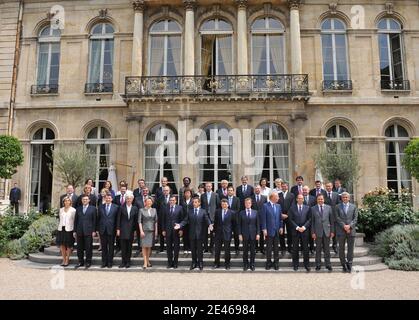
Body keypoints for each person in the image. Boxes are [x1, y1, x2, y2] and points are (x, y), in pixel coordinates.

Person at [175, 197, 213, 271]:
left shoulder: (203, 211)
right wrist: (180, 225)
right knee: (193, 250)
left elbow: (207, 219)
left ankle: (200, 263)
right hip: (192, 234)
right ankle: (193, 263)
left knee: (199, 249)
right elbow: (185, 220)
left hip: (200, 234)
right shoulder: (190, 211)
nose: (194, 203)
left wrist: (210, 225)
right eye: (193, 202)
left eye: (196, 202)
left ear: (199, 203)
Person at [335, 192, 358, 273]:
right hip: (341, 231)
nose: (345, 198)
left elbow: (355, 219)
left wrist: (349, 226)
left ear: (349, 198)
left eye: (346, 197)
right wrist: (344, 226)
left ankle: (349, 264)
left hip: (351, 231)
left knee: (350, 249)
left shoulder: (354, 207)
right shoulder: (337, 207)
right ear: (341, 198)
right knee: (341, 249)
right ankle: (343, 264)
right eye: (343, 197)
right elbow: (337, 218)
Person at [311, 194, 335, 272]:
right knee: (318, 249)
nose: (320, 200)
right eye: (319, 199)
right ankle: (318, 264)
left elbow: (331, 221)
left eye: (321, 199)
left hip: (327, 231)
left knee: (327, 249)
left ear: (324, 200)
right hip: (317, 232)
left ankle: (328, 264)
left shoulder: (329, 208)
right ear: (317, 200)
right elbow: (312, 222)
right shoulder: (313, 208)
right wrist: (313, 232)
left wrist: (332, 231)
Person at [288, 194, 311, 272]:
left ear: (303, 199)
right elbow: (290, 220)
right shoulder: (292, 208)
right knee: (295, 249)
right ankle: (295, 265)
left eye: (302, 198)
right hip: (295, 231)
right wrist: (297, 228)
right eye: (299, 198)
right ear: (297, 199)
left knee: (305, 249)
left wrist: (304, 227)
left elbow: (310, 219)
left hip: (305, 231)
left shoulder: (307, 208)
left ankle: (306, 265)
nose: (300, 199)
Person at [261, 191, 284, 270]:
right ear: (272, 197)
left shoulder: (278, 206)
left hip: (277, 230)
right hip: (269, 231)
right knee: (269, 248)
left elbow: (280, 218)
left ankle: (276, 263)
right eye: (277, 196)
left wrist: (281, 227)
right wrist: (264, 229)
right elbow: (263, 218)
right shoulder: (265, 206)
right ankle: (268, 262)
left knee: (276, 248)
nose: (278, 198)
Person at [74, 195, 97, 269]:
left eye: (86, 199)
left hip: (89, 231)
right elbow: (76, 221)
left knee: (88, 247)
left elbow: (94, 221)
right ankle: (80, 261)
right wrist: (75, 231)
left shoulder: (93, 209)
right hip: (79, 230)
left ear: (89, 200)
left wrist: (94, 230)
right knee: (79, 248)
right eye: (83, 199)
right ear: (81, 200)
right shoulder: (78, 209)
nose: (85, 200)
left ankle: (88, 262)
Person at [117, 192, 138, 268]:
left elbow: (136, 220)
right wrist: (118, 229)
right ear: (125, 199)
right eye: (127, 198)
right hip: (122, 230)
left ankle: (128, 262)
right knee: (123, 247)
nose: (129, 200)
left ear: (132, 199)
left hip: (131, 230)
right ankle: (123, 262)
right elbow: (118, 219)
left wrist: (136, 230)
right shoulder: (121, 207)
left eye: (130, 198)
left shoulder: (135, 208)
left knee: (129, 247)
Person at [97, 192, 118, 268]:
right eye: (107, 198)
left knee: (111, 247)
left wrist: (117, 229)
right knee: (104, 247)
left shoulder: (116, 207)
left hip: (111, 230)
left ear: (112, 199)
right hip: (102, 230)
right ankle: (104, 262)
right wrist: (97, 229)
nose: (108, 199)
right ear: (105, 199)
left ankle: (110, 262)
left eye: (109, 198)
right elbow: (98, 218)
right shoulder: (100, 207)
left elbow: (117, 220)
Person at [238, 198, 260, 271]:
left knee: (253, 251)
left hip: (253, 234)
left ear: (251, 204)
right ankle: (245, 264)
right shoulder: (241, 213)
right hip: (244, 234)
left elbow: (258, 224)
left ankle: (252, 264)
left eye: (249, 203)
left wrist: (258, 234)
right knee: (245, 251)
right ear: (244, 204)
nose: (248, 204)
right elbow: (239, 225)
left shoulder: (255, 212)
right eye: (246, 203)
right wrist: (240, 234)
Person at [162, 196, 183, 269]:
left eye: (173, 200)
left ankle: (175, 263)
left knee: (176, 248)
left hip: (176, 231)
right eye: (170, 200)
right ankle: (169, 262)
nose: (171, 201)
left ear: (176, 201)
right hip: (168, 231)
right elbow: (163, 220)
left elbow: (181, 219)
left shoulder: (179, 208)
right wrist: (163, 230)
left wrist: (181, 229)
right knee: (169, 248)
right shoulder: (165, 208)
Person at [213, 199, 234, 270]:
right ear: (221, 205)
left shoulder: (232, 213)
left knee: (227, 250)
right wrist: (214, 232)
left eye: (225, 204)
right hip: (218, 234)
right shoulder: (217, 212)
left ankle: (227, 264)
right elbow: (215, 223)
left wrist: (233, 233)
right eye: (222, 204)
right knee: (217, 249)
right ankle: (216, 263)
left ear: (228, 205)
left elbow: (234, 224)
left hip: (227, 233)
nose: (224, 205)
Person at [200, 182, 220, 253]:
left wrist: (216, 216)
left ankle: (211, 247)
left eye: (209, 186)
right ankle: (205, 247)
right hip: (204, 216)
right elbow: (201, 206)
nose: (208, 187)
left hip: (213, 216)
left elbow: (218, 206)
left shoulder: (216, 195)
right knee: (204, 233)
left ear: (212, 187)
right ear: (205, 187)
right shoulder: (203, 195)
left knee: (212, 233)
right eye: (207, 186)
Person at [139, 197, 158, 269]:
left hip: (151, 231)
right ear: (145, 202)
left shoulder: (154, 210)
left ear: (152, 203)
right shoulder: (141, 210)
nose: (149, 203)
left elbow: (156, 221)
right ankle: (145, 263)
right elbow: (139, 221)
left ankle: (148, 261)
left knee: (149, 247)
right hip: (144, 231)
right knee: (144, 247)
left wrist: (156, 231)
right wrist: (141, 231)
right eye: (148, 201)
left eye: (150, 202)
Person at [56, 196, 76, 267]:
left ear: (70, 202)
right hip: (61, 229)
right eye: (65, 201)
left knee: (69, 245)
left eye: (68, 201)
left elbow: (74, 220)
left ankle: (67, 259)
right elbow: (60, 219)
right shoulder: (61, 210)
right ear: (63, 202)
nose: (67, 202)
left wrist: (74, 230)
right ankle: (63, 259)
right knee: (62, 245)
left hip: (69, 229)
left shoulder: (73, 210)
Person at [279, 182, 295, 254]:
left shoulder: (291, 195)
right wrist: (281, 214)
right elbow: (276, 205)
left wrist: (287, 214)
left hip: (289, 216)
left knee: (290, 232)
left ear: (287, 187)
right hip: (280, 216)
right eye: (282, 186)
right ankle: (283, 248)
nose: (284, 187)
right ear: (281, 187)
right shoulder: (278, 195)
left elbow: (293, 205)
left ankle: (289, 247)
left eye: (285, 186)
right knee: (281, 233)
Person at [324, 182, 341, 253]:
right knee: (326, 232)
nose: (328, 187)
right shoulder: (323, 195)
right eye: (327, 186)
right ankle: (325, 247)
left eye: (329, 186)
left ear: (332, 187)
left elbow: (338, 205)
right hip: (325, 217)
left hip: (334, 216)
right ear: (325, 187)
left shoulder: (336, 194)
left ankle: (335, 246)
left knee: (335, 232)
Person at [251, 185, 267, 254]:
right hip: (253, 218)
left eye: (258, 189)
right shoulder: (251, 198)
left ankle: (262, 248)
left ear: (260, 189)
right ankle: (255, 248)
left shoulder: (264, 197)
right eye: (256, 189)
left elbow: (266, 208)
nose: (257, 190)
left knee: (261, 233)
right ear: (254, 190)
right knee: (254, 233)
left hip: (262, 218)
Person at [156, 185, 171, 253]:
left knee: (170, 233)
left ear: (169, 191)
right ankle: (161, 248)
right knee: (162, 233)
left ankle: (169, 247)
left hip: (170, 218)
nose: (165, 192)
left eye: (167, 190)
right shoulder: (160, 198)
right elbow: (157, 208)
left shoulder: (173, 198)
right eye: (164, 190)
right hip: (161, 218)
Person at [226, 186, 240, 255]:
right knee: (227, 235)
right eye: (228, 190)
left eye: (231, 190)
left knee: (236, 235)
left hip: (235, 220)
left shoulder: (237, 199)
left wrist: (230, 212)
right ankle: (227, 248)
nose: (230, 191)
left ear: (233, 191)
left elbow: (238, 209)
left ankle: (237, 248)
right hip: (226, 220)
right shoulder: (224, 199)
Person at [180, 188, 193, 254]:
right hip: (184, 220)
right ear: (184, 194)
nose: (187, 194)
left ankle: (190, 248)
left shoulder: (193, 201)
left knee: (190, 235)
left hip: (191, 220)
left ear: (190, 194)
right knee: (185, 235)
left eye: (188, 193)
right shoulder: (182, 201)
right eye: (186, 193)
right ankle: (185, 248)